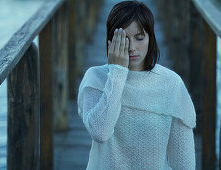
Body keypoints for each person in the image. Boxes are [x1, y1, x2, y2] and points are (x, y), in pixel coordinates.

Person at [77, 1, 196, 169]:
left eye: (139, 38)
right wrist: (117, 72)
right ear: (110, 42)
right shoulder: (95, 78)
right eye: (124, 39)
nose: (132, 47)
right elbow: (100, 132)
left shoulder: (171, 84)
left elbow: (183, 161)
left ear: (150, 39)